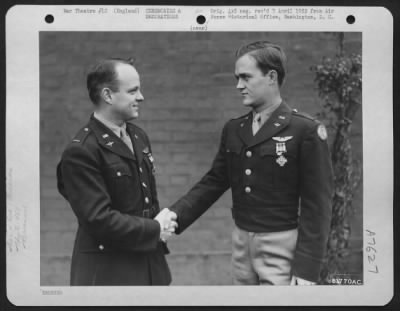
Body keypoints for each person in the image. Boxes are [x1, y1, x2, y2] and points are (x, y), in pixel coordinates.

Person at [162, 41, 333, 285]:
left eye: (246, 77)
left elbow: (317, 204)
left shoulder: (304, 130)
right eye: (237, 78)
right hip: (241, 243)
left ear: (271, 77)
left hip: (282, 245)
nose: (239, 85)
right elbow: (214, 182)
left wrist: (307, 269)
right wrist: (174, 215)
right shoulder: (234, 129)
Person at [56, 58, 177, 286]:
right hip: (109, 272)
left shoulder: (138, 136)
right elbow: (98, 219)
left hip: (150, 267)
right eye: (133, 91)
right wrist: (155, 228)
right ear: (108, 96)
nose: (140, 97)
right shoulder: (81, 150)